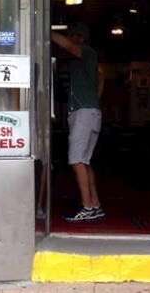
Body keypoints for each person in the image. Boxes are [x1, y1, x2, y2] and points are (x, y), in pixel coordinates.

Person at [51, 22, 105, 222]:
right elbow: (102, 77)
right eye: (72, 35)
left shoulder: (86, 52)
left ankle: (87, 207)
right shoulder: (82, 61)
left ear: (83, 39)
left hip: (84, 112)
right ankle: (95, 204)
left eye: (77, 35)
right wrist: (96, 100)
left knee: (76, 160)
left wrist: (47, 30)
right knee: (85, 161)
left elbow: (68, 46)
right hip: (90, 111)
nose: (73, 39)